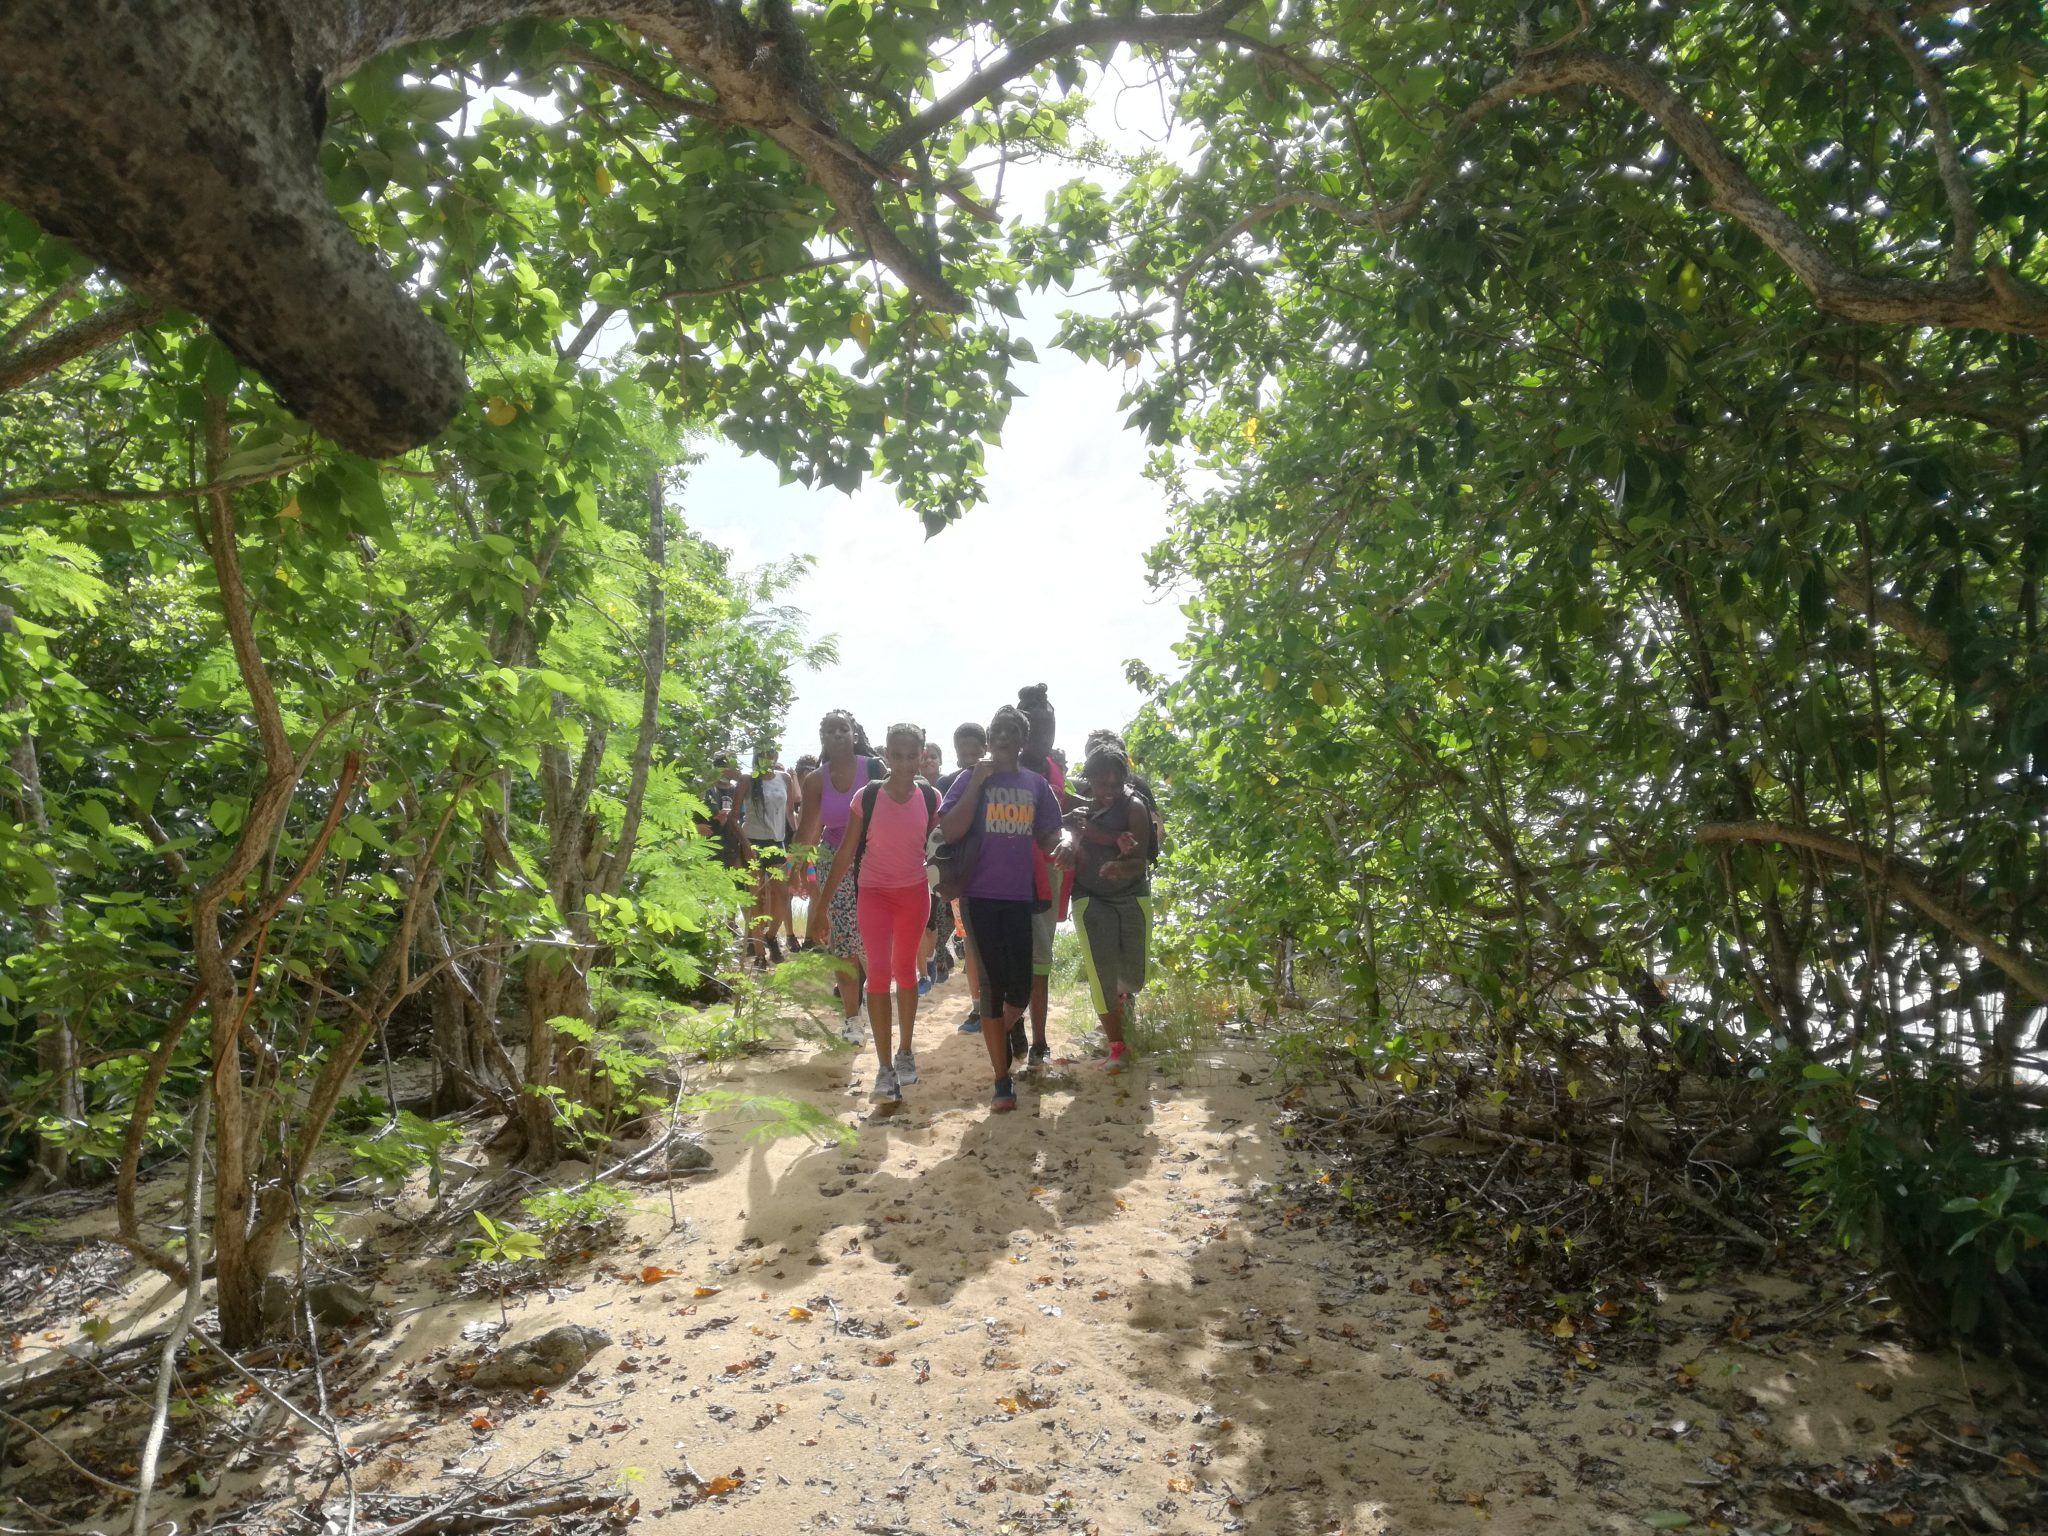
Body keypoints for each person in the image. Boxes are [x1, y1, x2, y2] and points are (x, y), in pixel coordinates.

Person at [939, 705, 1065, 1113]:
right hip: (978, 896)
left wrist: (1066, 844)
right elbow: (951, 830)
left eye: (1012, 731)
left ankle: (999, 1031)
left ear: (1022, 740)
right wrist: (977, 781)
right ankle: (1001, 1080)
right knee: (992, 989)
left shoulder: (1035, 784)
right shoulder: (969, 778)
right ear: (990, 738)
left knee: (1021, 989)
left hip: (1018, 897)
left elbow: (1049, 834)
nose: (1004, 737)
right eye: (998, 730)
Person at [809, 723, 937, 1103]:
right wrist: (821, 907)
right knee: (878, 973)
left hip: (914, 895)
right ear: (886, 755)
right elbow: (845, 853)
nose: (904, 763)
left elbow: (939, 849)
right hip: (874, 894)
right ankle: (884, 1069)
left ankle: (905, 1052)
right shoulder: (867, 797)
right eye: (897, 755)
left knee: (906, 971)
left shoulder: (930, 797)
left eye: (911, 756)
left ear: (921, 756)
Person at [1060, 740, 1156, 1073]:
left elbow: (1141, 862)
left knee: (1134, 977)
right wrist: (1068, 846)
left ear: (1125, 781)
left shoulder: (1135, 808)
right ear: (1091, 780)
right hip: (1090, 897)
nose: (1110, 791)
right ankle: (1117, 1046)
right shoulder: (1078, 804)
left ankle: (1122, 999)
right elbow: (1063, 833)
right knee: (1102, 975)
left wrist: (1120, 867)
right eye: (1103, 784)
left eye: (1117, 784)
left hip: (1132, 895)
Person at [793, 712, 881, 1039]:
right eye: (830, 730)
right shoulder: (816, 780)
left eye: (843, 729)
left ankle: (876, 1000)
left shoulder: (874, 769)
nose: (837, 735)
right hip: (834, 866)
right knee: (843, 942)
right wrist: (794, 870)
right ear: (822, 737)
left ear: (854, 734)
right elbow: (807, 830)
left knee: (873, 939)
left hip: (874, 860)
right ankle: (852, 1020)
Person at [1015, 684, 1071, 1069]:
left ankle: (1040, 1040)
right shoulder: (1007, 769)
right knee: (1011, 956)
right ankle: (1014, 1022)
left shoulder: (1053, 768)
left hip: (1047, 873)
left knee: (1040, 959)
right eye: (1037, 729)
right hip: (1010, 873)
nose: (1044, 737)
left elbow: (1060, 809)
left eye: (1050, 728)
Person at [937, 721, 987, 1032]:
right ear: (956, 754)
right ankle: (978, 1006)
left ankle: (996, 1005)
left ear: (987, 750)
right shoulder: (949, 783)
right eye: (963, 754)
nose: (969, 759)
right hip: (964, 877)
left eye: (975, 753)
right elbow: (942, 830)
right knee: (970, 941)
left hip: (996, 873)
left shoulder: (1001, 780)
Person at [738, 748, 799, 967]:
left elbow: (789, 811)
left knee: (782, 895)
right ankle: (759, 954)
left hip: (776, 842)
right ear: (757, 754)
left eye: (771, 752)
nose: (768, 756)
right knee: (755, 897)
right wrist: (745, 844)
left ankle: (771, 936)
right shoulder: (747, 779)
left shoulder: (784, 778)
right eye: (763, 752)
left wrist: (798, 836)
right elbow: (735, 815)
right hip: (753, 841)